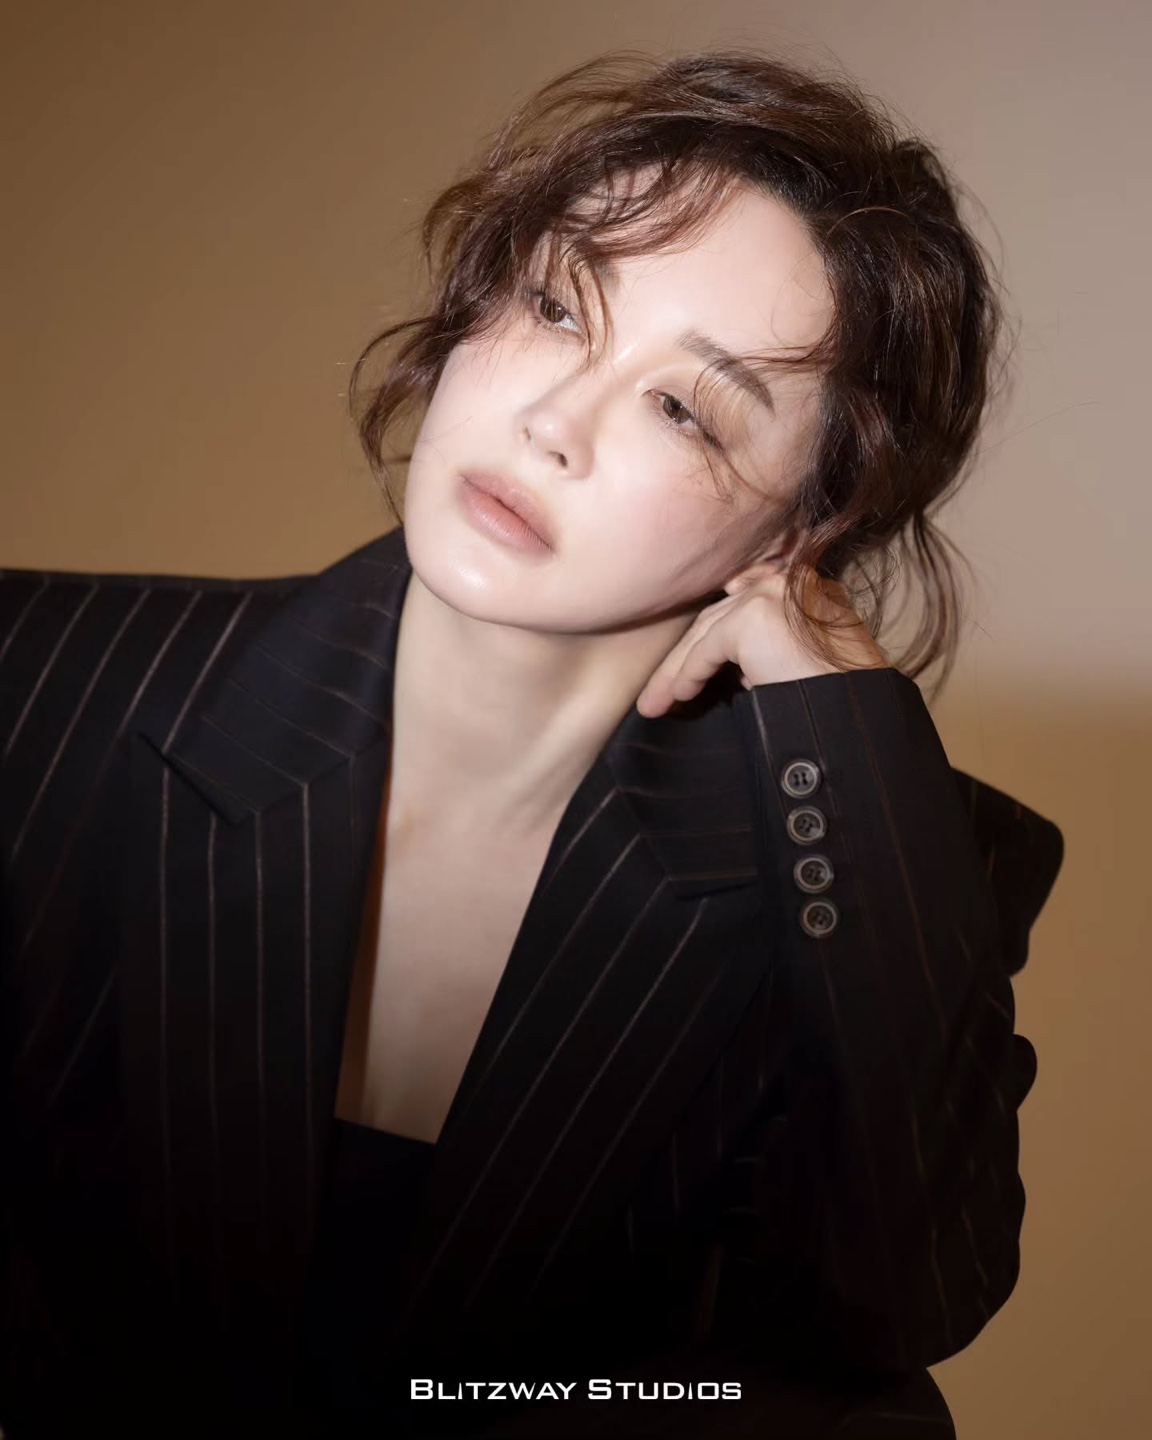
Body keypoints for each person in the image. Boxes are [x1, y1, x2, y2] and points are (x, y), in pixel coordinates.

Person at [0, 49, 1064, 1439]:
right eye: (559, 306)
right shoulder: (39, 680)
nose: (552, 424)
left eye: (683, 407)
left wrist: (844, 734)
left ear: (805, 526)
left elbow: (892, 1316)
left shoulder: (870, 854)